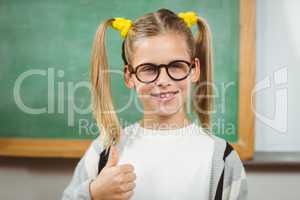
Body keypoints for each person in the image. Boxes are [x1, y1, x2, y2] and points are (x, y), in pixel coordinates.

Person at [62, 8, 247, 200]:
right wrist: (93, 194)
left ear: (194, 70)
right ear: (129, 76)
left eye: (176, 66)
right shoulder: (104, 151)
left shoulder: (221, 158)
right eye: (149, 69)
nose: (163, 80)